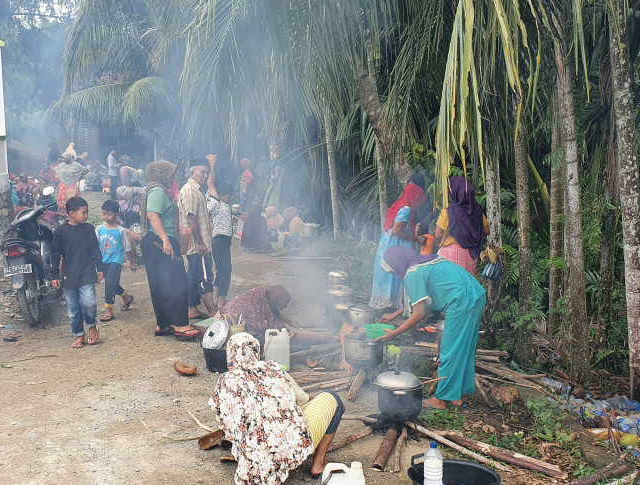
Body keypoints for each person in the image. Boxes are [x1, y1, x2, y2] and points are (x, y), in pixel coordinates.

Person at [210, 333, 346, 483]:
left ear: (230, 354)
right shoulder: (273, 369)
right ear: (256, 351)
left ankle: (256, 460)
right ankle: (318, 464)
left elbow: (223, 419)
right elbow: (303, 399)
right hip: (287, 449)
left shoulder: (224, 382)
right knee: (334, 399)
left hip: (251, 455)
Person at [378, 247, 486, 409]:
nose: (395, 274)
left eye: (393, 271)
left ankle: (441, 399)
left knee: (449, 350)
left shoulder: (412, 274)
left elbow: (419, 313)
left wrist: (395, 333)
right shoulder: (424, 262)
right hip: (476, 295)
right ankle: (454, 396)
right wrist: (394, 315)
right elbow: (421, 302)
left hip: (461, 301)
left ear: (397, 264)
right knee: (463, 348)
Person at [140, 160, 198, 338]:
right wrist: (166, 239)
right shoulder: (157, 190)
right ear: (162, 174)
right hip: (160, 241)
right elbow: (152, 215)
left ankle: (164, 323)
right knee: (176, 282)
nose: (172, 177)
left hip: (155, 241)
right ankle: (181, 325)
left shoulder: (155, 190)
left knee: (161, 283)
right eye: (170, 174)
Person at [49, 197, 104, 348]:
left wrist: (100, 267)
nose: (86, 215)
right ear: (71, 213)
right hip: (69, 275)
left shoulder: (88, 229)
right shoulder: (61, 231)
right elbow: (55, 254)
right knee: (73, 309)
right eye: (83, 212)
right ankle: (79, 334)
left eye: (87, 212)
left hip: (86, 272)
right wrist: (54, 275)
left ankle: (92, 326)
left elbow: (95, 249)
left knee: (88, 303)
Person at [369, 177, 428, 309]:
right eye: (417, 198)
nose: (418, 202)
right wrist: (416, 239)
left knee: (388, 272)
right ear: (413, 196)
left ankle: (386, 304)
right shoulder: (406, 209)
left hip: (388, 244)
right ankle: (390, 306)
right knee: (394, 272)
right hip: (394, 245)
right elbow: (396, 231)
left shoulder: (399, 204)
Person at [179, 158, 217, 319]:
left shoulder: (196, 190)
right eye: (202, 172)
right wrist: (200, 243)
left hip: (195, 244)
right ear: (192, 172)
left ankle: (191, 309)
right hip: (198, 245)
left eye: (207, 172)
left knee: (193, 277)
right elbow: (191, 219)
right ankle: (213, 312)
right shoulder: (190, 191)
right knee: (205, 278)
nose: (205, 175)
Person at [435, 176, 489, 274]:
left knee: (451, 284)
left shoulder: (449, 211)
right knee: (465, 284)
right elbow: (486, 231)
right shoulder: (477, 211)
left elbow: (438, 234)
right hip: (471, 254)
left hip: (451, 253)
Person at [96, 200, 139, 322]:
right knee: (112, 282)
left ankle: (109, 311)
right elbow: (96, 245)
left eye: (109, 214)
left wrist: (131, 262)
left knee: (110, 284)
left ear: (116, 214)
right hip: (104, 260)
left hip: (116, 260)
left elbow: (127, 247)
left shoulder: (120, 230)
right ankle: (126, 296)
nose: (106, 216)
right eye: (104, 214)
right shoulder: (99, 229)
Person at [206, 154, 234, 310]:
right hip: (220, 239)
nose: (229, 199)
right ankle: (221, 301)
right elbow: (211, 182)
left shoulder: (221, 204)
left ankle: (217, 299)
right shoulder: (215, 202)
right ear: (221, 195)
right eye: (228, 196)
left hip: (223, 241)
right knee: (225, 270)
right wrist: (212, 164)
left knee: (222, 270)